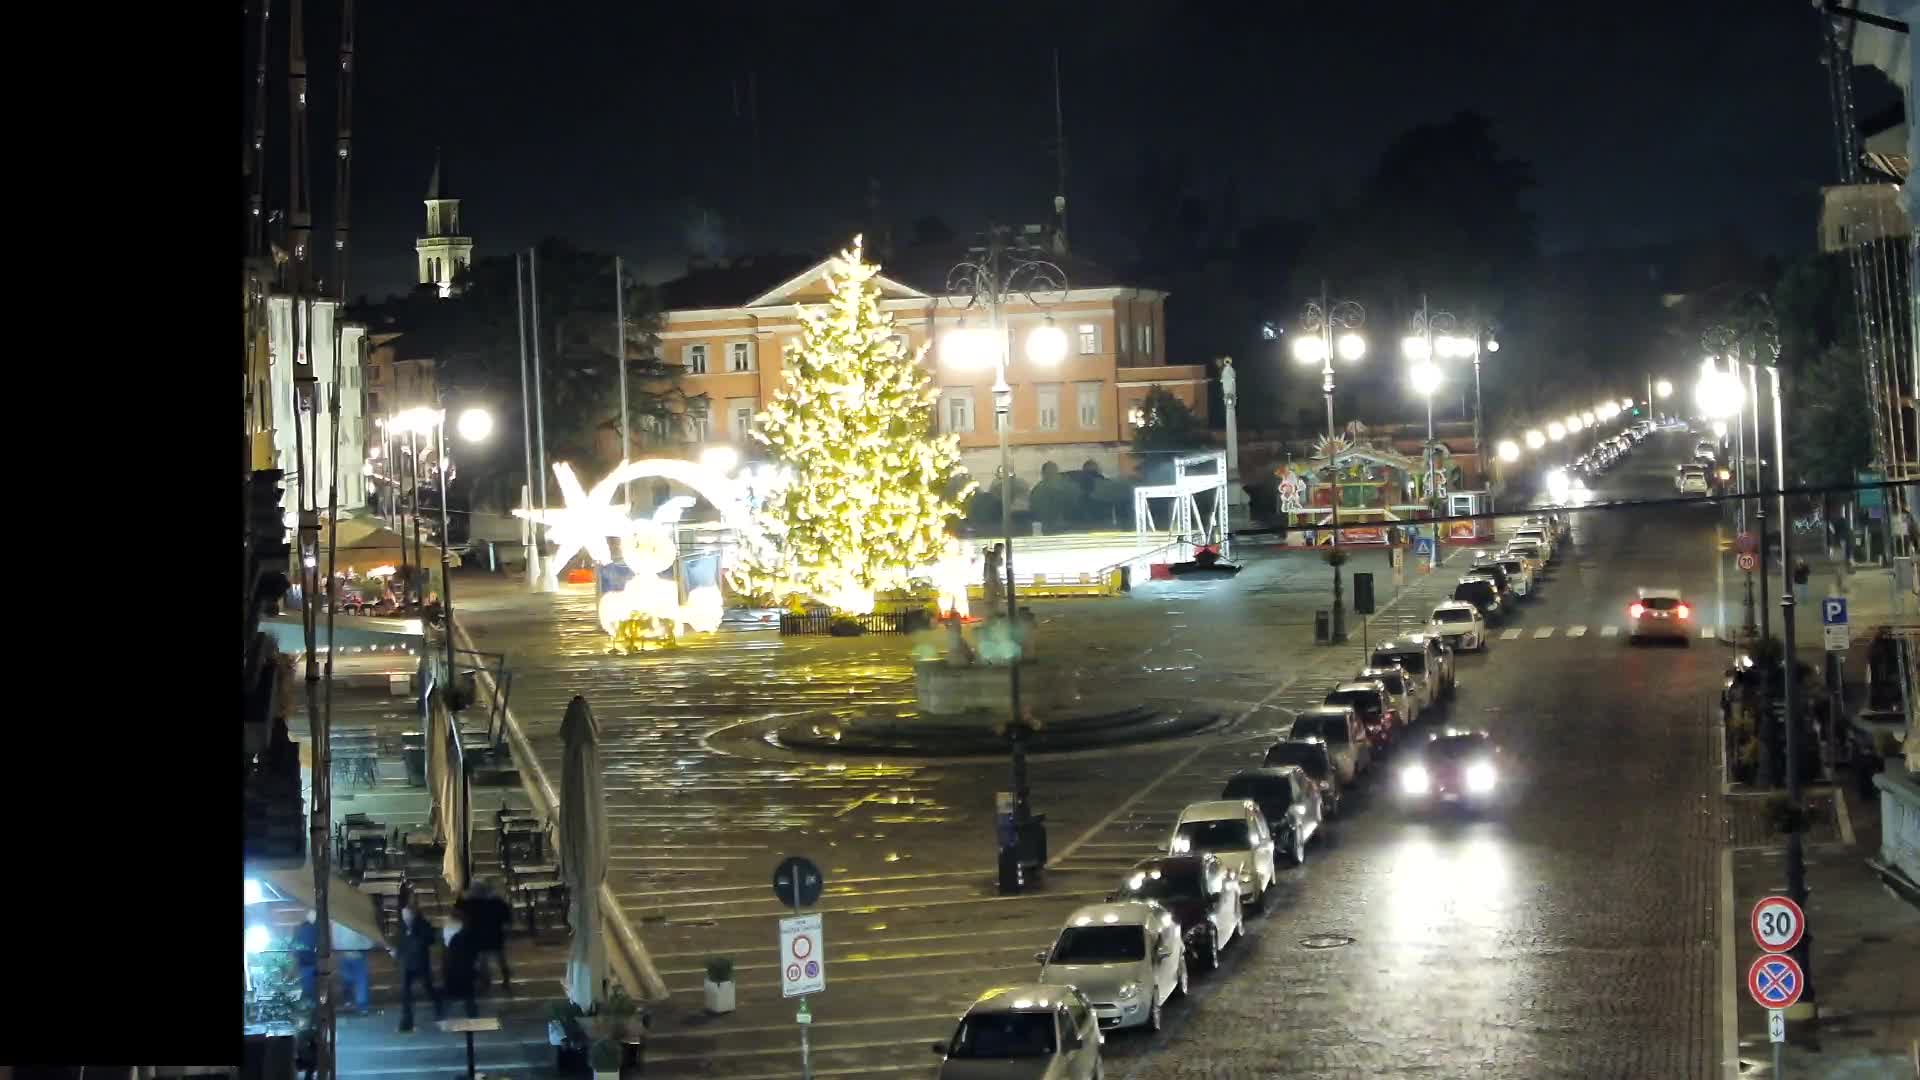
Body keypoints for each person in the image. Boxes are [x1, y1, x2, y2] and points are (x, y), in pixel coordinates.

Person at [456, 881, 514, 995]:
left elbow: (459, 908)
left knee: (484, 960)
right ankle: (504, 979)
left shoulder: (472, 902)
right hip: (495, 935)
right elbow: (507, 919)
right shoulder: (497, 902)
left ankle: (486, 982)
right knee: (499, 959)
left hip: (481, 936)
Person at [392, 900, 442, 1032]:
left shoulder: (422, 925)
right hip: (407, 964)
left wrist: (415, 938)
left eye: (407, 915)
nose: (405, 918)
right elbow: (400, 942)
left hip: (420, 963)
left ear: (413, 915)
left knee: (428, 987)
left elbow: (430, 939)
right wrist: (397, 954)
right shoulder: (403, 927)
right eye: (403, 915)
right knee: (406, 994)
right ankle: (406, 1021)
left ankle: (438, 1004)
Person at [441, 915, 480, 1019]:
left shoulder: (455, 939)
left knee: (452, 996)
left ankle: (442, 1014)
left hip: (456, 971)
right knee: (469, 997)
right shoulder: (471, 938)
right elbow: (475, 956)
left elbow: (449, 956)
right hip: (467, 972)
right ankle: (472, 1016)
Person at [290, 911, 320, 1002]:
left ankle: (308, 1002)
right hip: (309, 960)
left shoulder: (301, 928)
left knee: (307, 983)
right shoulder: (312, 929)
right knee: (308, 984)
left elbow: (294, 944)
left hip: (304, 960)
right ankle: (309, 1003)